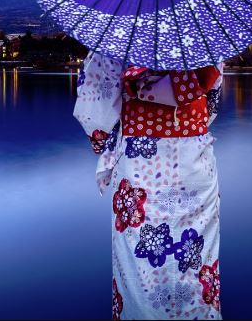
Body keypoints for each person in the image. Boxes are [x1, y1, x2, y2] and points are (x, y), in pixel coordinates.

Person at [74, 51, 223, 320]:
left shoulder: (119, 35)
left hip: (140, 167)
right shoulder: (202, 34)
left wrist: (104, 142)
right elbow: (210, 104)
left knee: (139, 271)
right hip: (195, 163)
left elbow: (95, 110)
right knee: (195, 263)